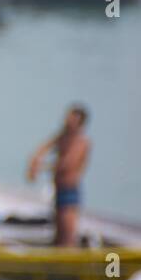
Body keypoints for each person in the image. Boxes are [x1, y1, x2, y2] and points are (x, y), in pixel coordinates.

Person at [27, 105, 92, 247]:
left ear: (79, 122)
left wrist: (41, 168)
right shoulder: (63, 136)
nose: (66, 120)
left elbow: (67, 164)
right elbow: (43, 147)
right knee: (58, 231)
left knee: (67, 232)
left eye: (71, 118)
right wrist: (34, 162)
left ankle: (70, 258)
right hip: (59, 188)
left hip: (70, 190)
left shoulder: (81, 142)